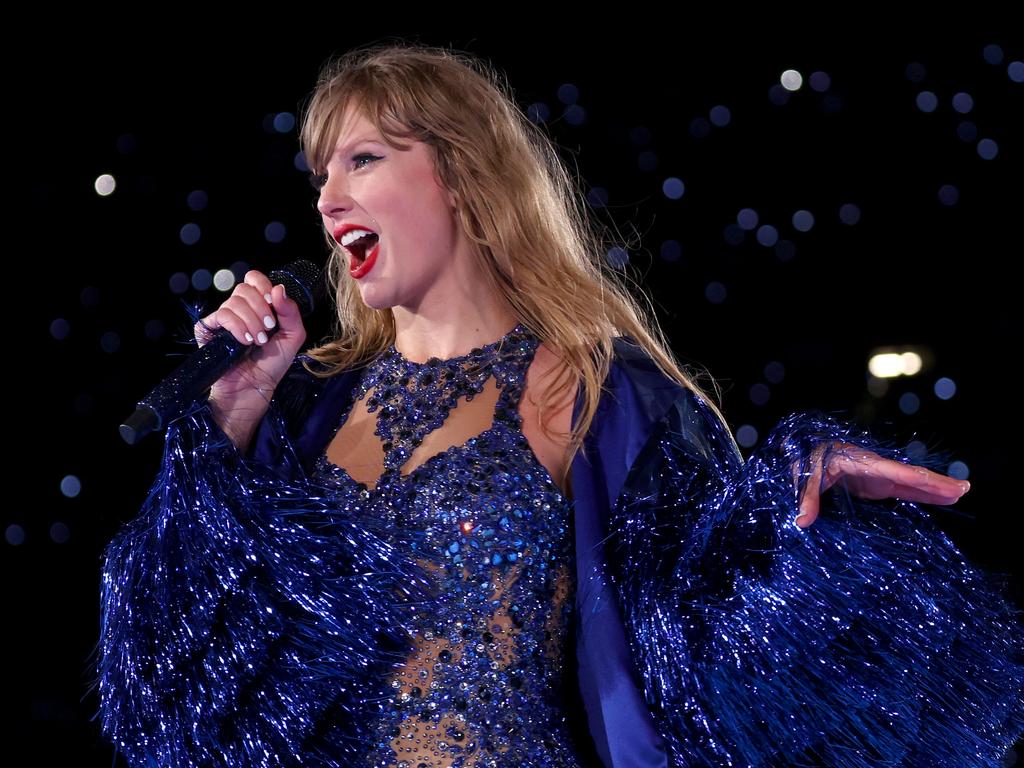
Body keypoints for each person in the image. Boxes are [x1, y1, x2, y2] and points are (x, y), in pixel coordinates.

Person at [92, 42, 1024, 768]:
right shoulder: (304, 417)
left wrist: (796, 505)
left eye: (362, 160)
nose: (328, 201)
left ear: (458, 174)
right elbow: (171, 686)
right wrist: (228, 421)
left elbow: (697, 618)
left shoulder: (591, 392)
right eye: (318, 178)